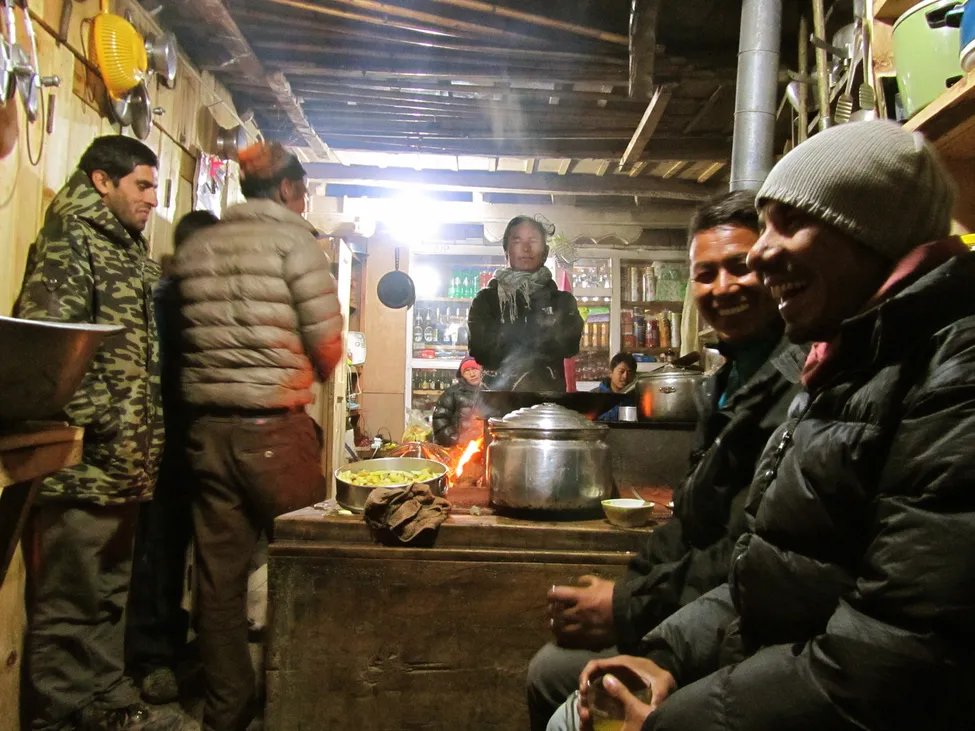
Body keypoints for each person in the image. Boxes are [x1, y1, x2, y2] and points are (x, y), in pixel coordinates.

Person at [564, 120, 975, 731]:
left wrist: (673, 719)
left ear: (871, 230)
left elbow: (893, 659)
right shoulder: (843, 366)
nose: (759, 255)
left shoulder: (952, 375)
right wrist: (666, 655)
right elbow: (763, 572)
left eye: (790, 223)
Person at [533, 190, 807, 731]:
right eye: (705, 275)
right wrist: (626, 589)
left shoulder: (795, 383)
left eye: (740, 266)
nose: (722, 287)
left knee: (556, 676)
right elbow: (690, 523)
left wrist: (627, 606)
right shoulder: (727, 382)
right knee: (551, 666)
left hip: (749, 628)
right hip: (703, 608)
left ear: (775, 267)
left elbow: (744, 551)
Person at [171, 141, 343, 731]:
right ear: (289, 189)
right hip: (274, 429)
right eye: (304, 191)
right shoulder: (296, 243)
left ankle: (227, 708)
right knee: (309, 562)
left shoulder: (201, 244)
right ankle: (300, 701)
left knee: (217, 581)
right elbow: (327, 341)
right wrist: (311, 371)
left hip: (207, 431)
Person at [15, 136, 182, 731]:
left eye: (155, 187)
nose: (153, 199)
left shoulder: (125, 245)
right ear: (102, 181)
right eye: (142, 185)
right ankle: (62, 714)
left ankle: (108, 698)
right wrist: (103, 422)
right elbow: (50, 349)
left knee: (109, 590)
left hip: (124, 460)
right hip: (84, 461)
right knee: (71, 598)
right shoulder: (72, 236)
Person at [126, 210, 219, 705]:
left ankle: (183, 647)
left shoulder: (200, 300)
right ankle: (153, 659)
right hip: (165, 446)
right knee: (161, 553)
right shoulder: (162, 300)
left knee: (195, 553)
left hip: (197, 444)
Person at [468, 216, 584, 391]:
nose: (526, 248)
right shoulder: (486, 300)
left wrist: (514, 334)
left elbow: (569, 346)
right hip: (498, 400)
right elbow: (481, 352)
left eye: (533, 241)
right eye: (517, 241)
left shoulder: (561, 301)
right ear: (506, 251)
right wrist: (540, 334)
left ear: (545, 252)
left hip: (547, 401)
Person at [432, 357, 483, 447]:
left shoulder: (491, 391)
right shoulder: (452, 393)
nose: (472, 374)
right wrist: (455, 439)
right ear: (462, 375)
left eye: (474, 369)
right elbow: (440, 419)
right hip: (459, 447)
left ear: (481, 371)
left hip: (484, 444)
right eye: (467, 371)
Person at [592, 352, 637, 421]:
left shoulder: (638, 399)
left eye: (629, 372)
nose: (625, 376)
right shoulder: (594, 396)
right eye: (621, 371)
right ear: (611, 373)